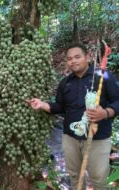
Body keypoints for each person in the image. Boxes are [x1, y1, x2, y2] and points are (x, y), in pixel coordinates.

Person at [27, 43, 119, 190]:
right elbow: (60, 107)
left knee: (98, 179)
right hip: (70, 138)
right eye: (69, 59)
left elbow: (117, 100)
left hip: (98, 137)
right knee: (75, 176)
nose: (73, 61)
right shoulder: (65, 83)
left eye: (77, 57)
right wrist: (43, 105)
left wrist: (106, 112)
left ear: (87, 57)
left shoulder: (103, 75)